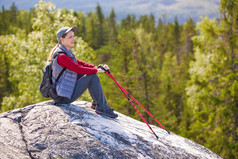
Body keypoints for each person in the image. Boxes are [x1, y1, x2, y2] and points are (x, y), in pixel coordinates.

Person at [48, 26, 118, 118]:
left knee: (90, 75)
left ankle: (97, 103)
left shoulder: (65, 52)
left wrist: (95, 67)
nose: (73, 39)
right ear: (62, 40)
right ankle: (102, 108)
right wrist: (97, 70)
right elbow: (78, 68)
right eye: (70, 37)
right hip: (62, 98)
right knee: (92, 77)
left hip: (64, 94)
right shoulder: (61, 56)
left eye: (73, 36)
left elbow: (79, 63)